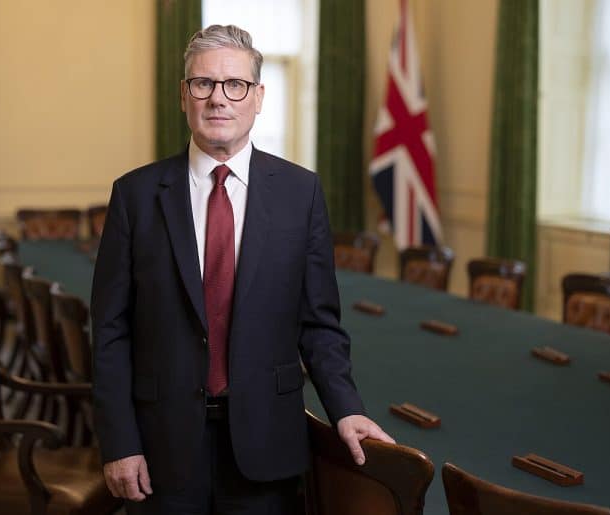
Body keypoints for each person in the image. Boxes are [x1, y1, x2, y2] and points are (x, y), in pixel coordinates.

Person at [91, 24, 394, 515]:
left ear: (258, 97)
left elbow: (319, 325)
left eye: (235, 85)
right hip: (160, 445)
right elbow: (110, 332)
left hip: (266, 443)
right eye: (202, 84)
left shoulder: (301, 194)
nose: (218, 99)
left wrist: (347, 408)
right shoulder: (135, 196)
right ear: (183, 96)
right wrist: (119, 442)